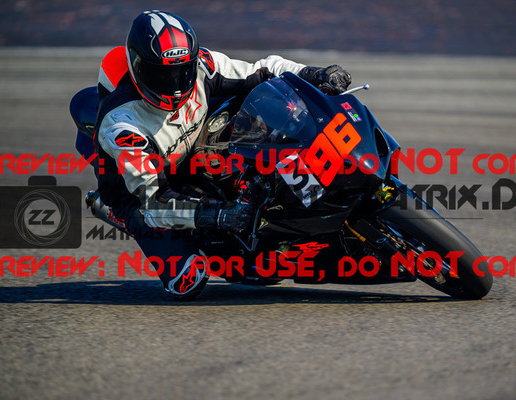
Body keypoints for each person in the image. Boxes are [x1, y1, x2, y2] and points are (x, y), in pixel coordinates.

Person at [92, 10, 351, 299]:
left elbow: (262, 70)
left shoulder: (202, 65)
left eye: (181, 72)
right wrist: (219, 215)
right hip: (144, 193)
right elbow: (156, 201)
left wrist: (312, 74)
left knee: (264, 109)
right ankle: (118, 213)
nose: (174, 85)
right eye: (161, 74)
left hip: (195, 144)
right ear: (138, 66)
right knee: (188, 279)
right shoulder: (123, 127)